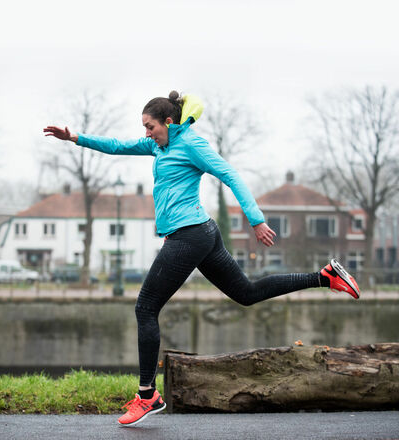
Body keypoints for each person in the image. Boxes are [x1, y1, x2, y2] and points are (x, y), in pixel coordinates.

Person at [43, 91, 360, 427]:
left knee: (145, 307)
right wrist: (75, 138)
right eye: (144, 128)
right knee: (247, 294)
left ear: (168, 121)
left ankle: (147, 395)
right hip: (201, 233)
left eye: (150, 126)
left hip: (189, 234)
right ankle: (325, 276)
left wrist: (256, 219)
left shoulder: (191, 144)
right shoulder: (158, 145)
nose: (146, 133)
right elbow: (118, 146)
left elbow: (230, 175)